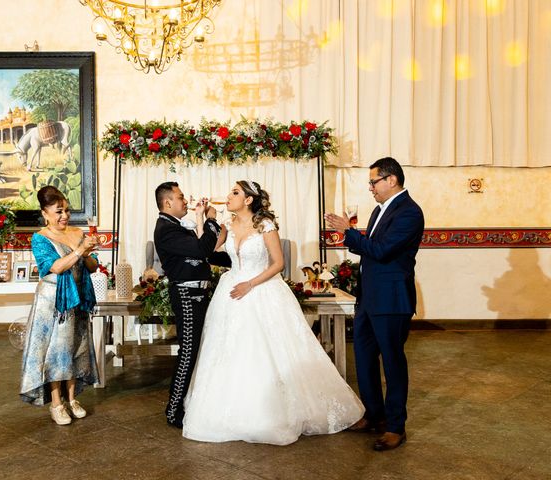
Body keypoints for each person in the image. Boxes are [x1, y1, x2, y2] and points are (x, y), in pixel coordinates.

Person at [182, 181, 364, 446]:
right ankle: (234, 410)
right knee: (230, 350)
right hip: (231, 291)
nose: (228, 196)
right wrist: (200, 217)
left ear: (248, 199)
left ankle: (281, 410)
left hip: (261, 289)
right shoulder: (228, 225)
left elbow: (278, 263)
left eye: (235, 192)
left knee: (270, 348)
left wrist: (250, 284)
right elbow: (206, 251)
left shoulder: (266, 225)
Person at [324, 157, 424, 451]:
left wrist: (349, 232)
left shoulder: (409, 212)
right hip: (369, 298)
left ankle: (395, 427)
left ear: (391, 180)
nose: (370, 188)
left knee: (392, 363)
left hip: (392, 299)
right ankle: (373, 414)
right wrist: (353, 236)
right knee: (364, 358)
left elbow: (381, 251)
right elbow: (368, 249)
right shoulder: (381, 210)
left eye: (373, 181)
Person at [20, 185, 100, 425]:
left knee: (76, 348)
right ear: (45, 213)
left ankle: (73, 398)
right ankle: (56, 403)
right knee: (56, 352)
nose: (64, 216)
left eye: (66, 210)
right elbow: (55, 267)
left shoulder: (77, 232)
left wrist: (87, 254)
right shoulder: (40, 238)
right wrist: (79, 251)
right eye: (58, 212)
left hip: (77, 300)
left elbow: (93, 267)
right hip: (53, 303)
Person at [153, 181, 221, 428]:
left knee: (199, 350)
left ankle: (192, 402)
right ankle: (173, 410)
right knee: (188, 351)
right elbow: (202, 250)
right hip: (186, 295)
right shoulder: (165, 229)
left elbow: (209, 254)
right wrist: (210, 220)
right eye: (181, 197)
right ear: (168, 202)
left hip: (200, 294)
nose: (185, 200)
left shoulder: (178, 226)